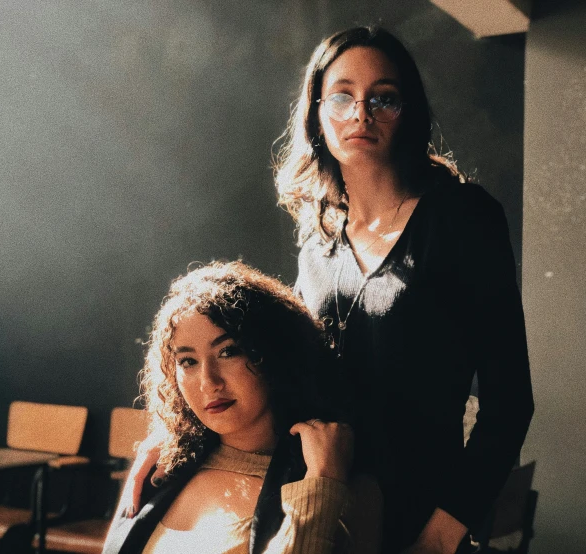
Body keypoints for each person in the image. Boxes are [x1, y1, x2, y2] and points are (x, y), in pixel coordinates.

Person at [128, 26, 534, 554]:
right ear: (317, 111)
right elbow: (279, 371)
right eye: (342, 96)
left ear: (407, 111)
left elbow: (510, 403)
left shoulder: (463, 219)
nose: (360, 113)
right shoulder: (317, 235)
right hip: (322, 497)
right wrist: (176, 437)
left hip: (420, 514)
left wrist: (441, 534)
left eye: (382, 98)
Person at [103, 261, 381, 554]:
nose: (208, 382)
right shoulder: (163, 467)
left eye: (228, 351)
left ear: (275, 353)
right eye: (188, 361)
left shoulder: (340, 484)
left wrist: (322, 482)